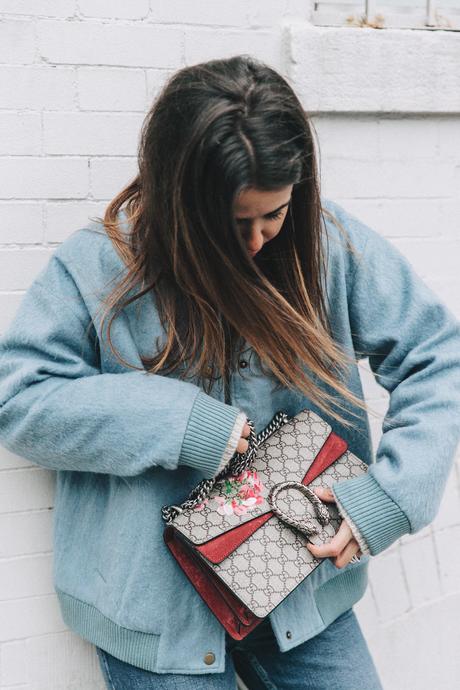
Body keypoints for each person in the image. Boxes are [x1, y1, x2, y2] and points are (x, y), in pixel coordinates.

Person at [0, 54, 459, 690]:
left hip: (301, 583)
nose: (259, 239)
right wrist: (182, 422)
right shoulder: (101, 265)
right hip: (157, 616)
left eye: (276, 214)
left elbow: (440, 355)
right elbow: (20, 400)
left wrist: (386, 498)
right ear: (179, 196)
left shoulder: (325, 246)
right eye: (235, 221)